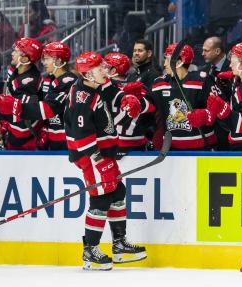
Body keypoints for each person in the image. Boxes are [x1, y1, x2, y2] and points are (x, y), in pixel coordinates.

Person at [65, 51, 146, 270]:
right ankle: (90, 251)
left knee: (118, 193)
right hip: (91, 156)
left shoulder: (95, 84)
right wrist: (100, 161)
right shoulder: (83, 99)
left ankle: (119, 245)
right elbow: (82, 137)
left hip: (104, 152)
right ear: (88, 74)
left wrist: (126, 98)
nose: (106, 70)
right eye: (100, 68)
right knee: (100, 199)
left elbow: (111, 92)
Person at [2, 42, 75, 150]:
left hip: (68, 142)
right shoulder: (48, 80)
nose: (44, 62)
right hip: (53, 141)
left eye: (47, 59)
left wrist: (10, 107)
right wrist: (45, 130)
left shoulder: (69, 81)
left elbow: (48, 108)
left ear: (59, 61)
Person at [149, 43, 218, 150]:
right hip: (171, 148)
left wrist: (206, 115)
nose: (164, 64)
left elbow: (219, 109)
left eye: (167, 60)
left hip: (201, 148)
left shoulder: (202, 81)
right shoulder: (160, 83)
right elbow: (148, 106)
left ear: (179, 62)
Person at [0, 38, 43, 150]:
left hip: (24, 141)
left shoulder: (30, 82)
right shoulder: (17, 69)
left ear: (25, 58)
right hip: (13, 132)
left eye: (16, 51)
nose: (12, 53)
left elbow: (19, 111)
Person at [104, 52, 153, 155]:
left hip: (110, 144)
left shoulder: (103, 89)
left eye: (106, 67)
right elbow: (151, 110)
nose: (103, 70)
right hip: (136, 144)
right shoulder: (139, 88)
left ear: (113, 71)